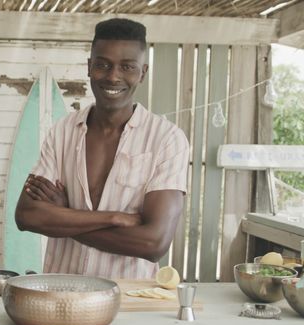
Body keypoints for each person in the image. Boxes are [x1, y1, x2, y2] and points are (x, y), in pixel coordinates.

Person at [14, 18, 189, 279]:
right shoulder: (62, 131)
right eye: (103, 65)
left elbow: (154, 243)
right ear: (89, 67)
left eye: (127, 67)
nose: (113, 76)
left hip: (129, 302)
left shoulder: (166, 139)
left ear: (143, 72)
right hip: (61, 294)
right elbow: (27, 216)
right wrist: (115, 218)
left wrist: (65, 217)